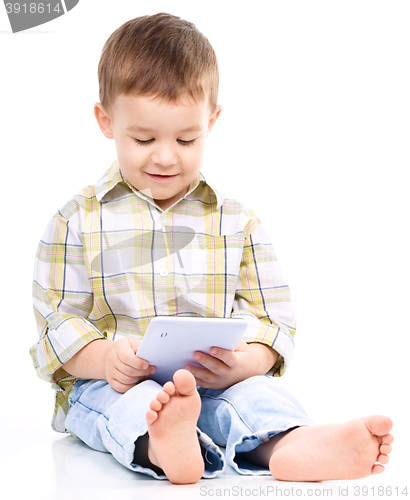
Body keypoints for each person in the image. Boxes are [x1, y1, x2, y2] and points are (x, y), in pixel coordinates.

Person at [29, 12, 393, 485]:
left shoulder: (236, 221)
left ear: (212, 121)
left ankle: (291, 442)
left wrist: (246, 363)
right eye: (143, 138)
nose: (164, 155)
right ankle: (165, 445)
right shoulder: (76, 220)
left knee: (257, 397)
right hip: (111, 385)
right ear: (106, 120)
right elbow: (58, 324)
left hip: (212, 384)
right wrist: (105, 358)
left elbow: (273, 320)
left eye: (186, 138)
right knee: (129, 406)